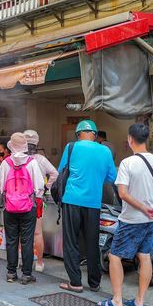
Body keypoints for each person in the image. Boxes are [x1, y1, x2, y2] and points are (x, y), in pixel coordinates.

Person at [97, 124, 153, 306]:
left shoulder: (128, 163)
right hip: (151, 221)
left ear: (130, 139)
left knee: (114, 256)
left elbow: (123, 194)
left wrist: (144, 208)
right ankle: (139, 300)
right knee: (145, 257)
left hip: (131, 220)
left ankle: (117, 301)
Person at [57, 120, 117, 293]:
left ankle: (75, 282)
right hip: (93, 203)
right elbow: (111, 178)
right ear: (95, 135)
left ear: (78, 134)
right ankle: (94, 283)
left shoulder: (71, 147)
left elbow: (61, 171)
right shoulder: (105, 150)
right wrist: (95, 178)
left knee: (71, 242)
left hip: (72, 200)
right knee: (92, 242)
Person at [0, 133, 44, 284]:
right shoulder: (32, 162)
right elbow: (39, 186)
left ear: (11, 146)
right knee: (27, 241)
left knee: (11, 240)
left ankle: (11, 273)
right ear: (24, 146)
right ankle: (27, 274)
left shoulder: (6, 163)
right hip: (28, 207)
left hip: (10, 207)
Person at [24, 129, 58, 272]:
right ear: (36, 144)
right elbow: (55, 173)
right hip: (36, 199)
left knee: (23, 232)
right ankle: (39, 263)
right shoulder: (40, 159)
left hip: (19, 201)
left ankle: (24, 260)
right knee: (37, 233)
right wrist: (46, 186)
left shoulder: (16, 158)